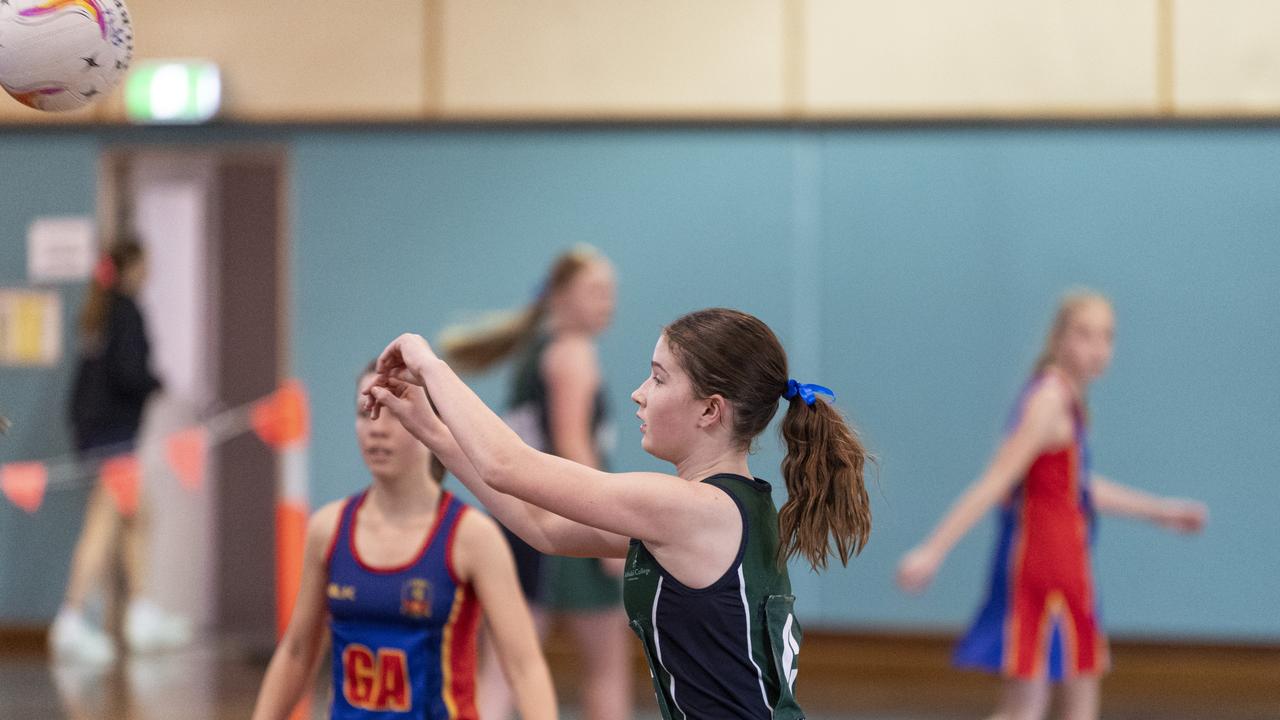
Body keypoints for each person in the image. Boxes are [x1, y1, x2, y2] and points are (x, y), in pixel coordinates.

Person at [365, 307, 873, 719]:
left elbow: (508, 464)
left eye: (657, 379)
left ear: (709, 410)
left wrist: (430, 363)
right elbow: (542, 527)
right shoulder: (720, 509)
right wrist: (432, 430)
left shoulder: (691, 509)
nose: (639, 393)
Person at [896, 290, 1208, 720]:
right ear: (1058, 337)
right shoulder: (1048, 401)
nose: (1097, 348)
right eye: (1084, 334)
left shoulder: (1068, 400)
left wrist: (1160, 511)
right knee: (1026, 706)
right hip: (1041, 566)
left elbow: (1075, 487)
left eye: (1107, 336)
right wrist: (934, 549)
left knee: (1077, 694)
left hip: (1069, 565)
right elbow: (996, 480)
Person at [251, 362, 556, 720]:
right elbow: (297, 653)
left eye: (394, 414)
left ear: (429, 424)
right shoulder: (328, 529)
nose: (376, 430)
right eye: (367, 413)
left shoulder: (471, 536)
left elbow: (524, 667)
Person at [440, 246, 630, 720]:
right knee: (606, 668)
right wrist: (613, 526)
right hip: (566, 517)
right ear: (561, 295)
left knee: (504, 668)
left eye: (611, 293)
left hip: (517, 519)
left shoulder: (538, 351)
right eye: (596, 291)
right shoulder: (572, 355)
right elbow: (573, 446)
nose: (608, 303)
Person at [50, 238, 190, 664]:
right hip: (109, 434)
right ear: (133, 266)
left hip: (97, 429)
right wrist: (157, 382)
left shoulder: (101, 310)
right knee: (104, 520)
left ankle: (140, 611)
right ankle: (70, 619)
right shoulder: (125, 308)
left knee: (137, 516)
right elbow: (128, 373)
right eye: (146, 264)